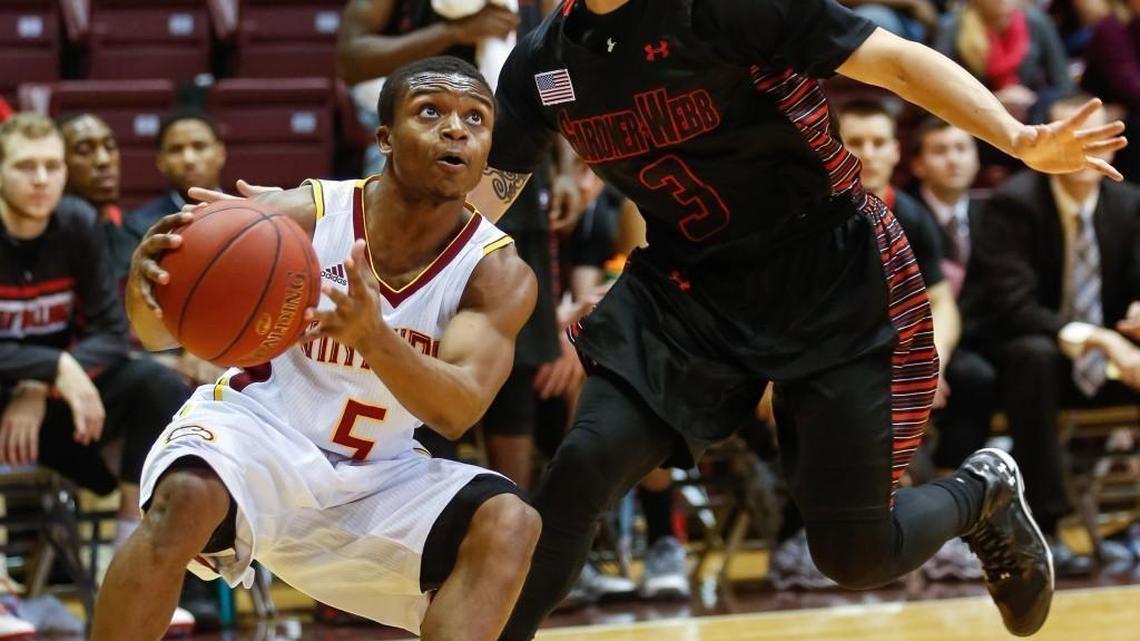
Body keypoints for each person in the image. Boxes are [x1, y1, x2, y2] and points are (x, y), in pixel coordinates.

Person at [466, 0, 1128, 638]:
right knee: (582, 466)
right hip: (687, 285)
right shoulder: (538, 65)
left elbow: (894, 62)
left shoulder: (727, 9)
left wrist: (1015, 138)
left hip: (824, 270)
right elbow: (491, 191)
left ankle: (981, 492)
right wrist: (406, 270)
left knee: (854, 553)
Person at [90, 56, 542, 641]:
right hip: (259, 437)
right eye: (430, 112)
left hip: (381, 476)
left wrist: (374, 338)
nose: (456, 129)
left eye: (475, 119)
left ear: (487, 148)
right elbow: (156, 336)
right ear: (384, 138)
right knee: (184, 496)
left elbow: (457, 409)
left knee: (510, 521)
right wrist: (145, 285)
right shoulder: (299, 216)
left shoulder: (496, 273)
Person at [0, 113, 195, 636]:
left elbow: (112, 330)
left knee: (156, 384)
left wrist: (42, 385)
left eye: (51, 166)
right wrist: (52, 366)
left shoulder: (77, 224)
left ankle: (125, 560)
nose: (41, 179)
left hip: (60, 408)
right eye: (25, 167)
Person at [962, 95, 1140, 577]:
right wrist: (1102, 339)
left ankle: (1134, 527)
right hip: (1009, 351)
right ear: (1049, 143)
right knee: (1034, 356)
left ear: (1116, 146)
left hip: (1102, 355)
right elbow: (1012, 308)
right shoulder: (1013, 202)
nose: (1087, 148)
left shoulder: (1129, 204)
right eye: (1074, 135)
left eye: (1098, 135)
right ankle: (1048, 528)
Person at [909, 117, 1001, 478]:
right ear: (917, 163)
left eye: (962, 149)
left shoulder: (994, 212)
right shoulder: (903, 212)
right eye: (940, 150)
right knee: (973, 377)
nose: (953, 160)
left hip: (978, 334)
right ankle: (949, 487)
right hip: (921, 341)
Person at [129, 110, 227, 235]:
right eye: (176, 150)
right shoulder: (138, 225)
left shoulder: (247, 216)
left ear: (221, 154)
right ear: (161, 161)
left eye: (199, 146)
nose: (189, 159)